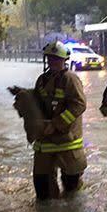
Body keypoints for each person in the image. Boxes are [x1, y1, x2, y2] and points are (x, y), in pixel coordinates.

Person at [32, 41, 87, 200]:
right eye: (50, 59)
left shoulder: (70, 79)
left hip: (67, 142)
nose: (53, 62)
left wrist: (56, 124)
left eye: (56, 59)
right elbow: (36, 104)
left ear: (64, 60)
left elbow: (79, 104)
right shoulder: (42, 80)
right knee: (43, 190)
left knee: (72, 191)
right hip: (44, 142)